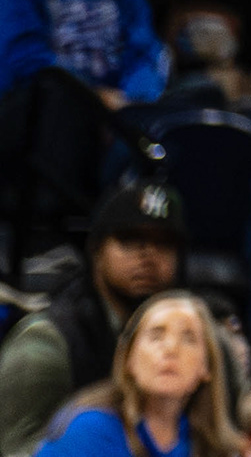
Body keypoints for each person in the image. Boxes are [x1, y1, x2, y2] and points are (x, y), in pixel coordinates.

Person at [0, 0, 170, 255]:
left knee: (203, 95)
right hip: (37, 110)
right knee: (56, 94)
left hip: (117, 108)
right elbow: (24, 59)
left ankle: (144, 226)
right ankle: (49, 240)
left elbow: (147, 52)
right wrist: (94, 98)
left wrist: (133, 98)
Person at [0, 182, 186, 457]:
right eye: (129, 239)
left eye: (164, 243)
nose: (148, 254)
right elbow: (15, 450)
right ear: (96, 251)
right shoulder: (48, 342)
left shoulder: (193, 340)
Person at [34, 290, 231, 457]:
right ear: (129, 360)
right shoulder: (89, 430)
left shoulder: (210, 444)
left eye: (189, 339)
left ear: (206, 367)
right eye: (156, 336)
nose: (171, 348)